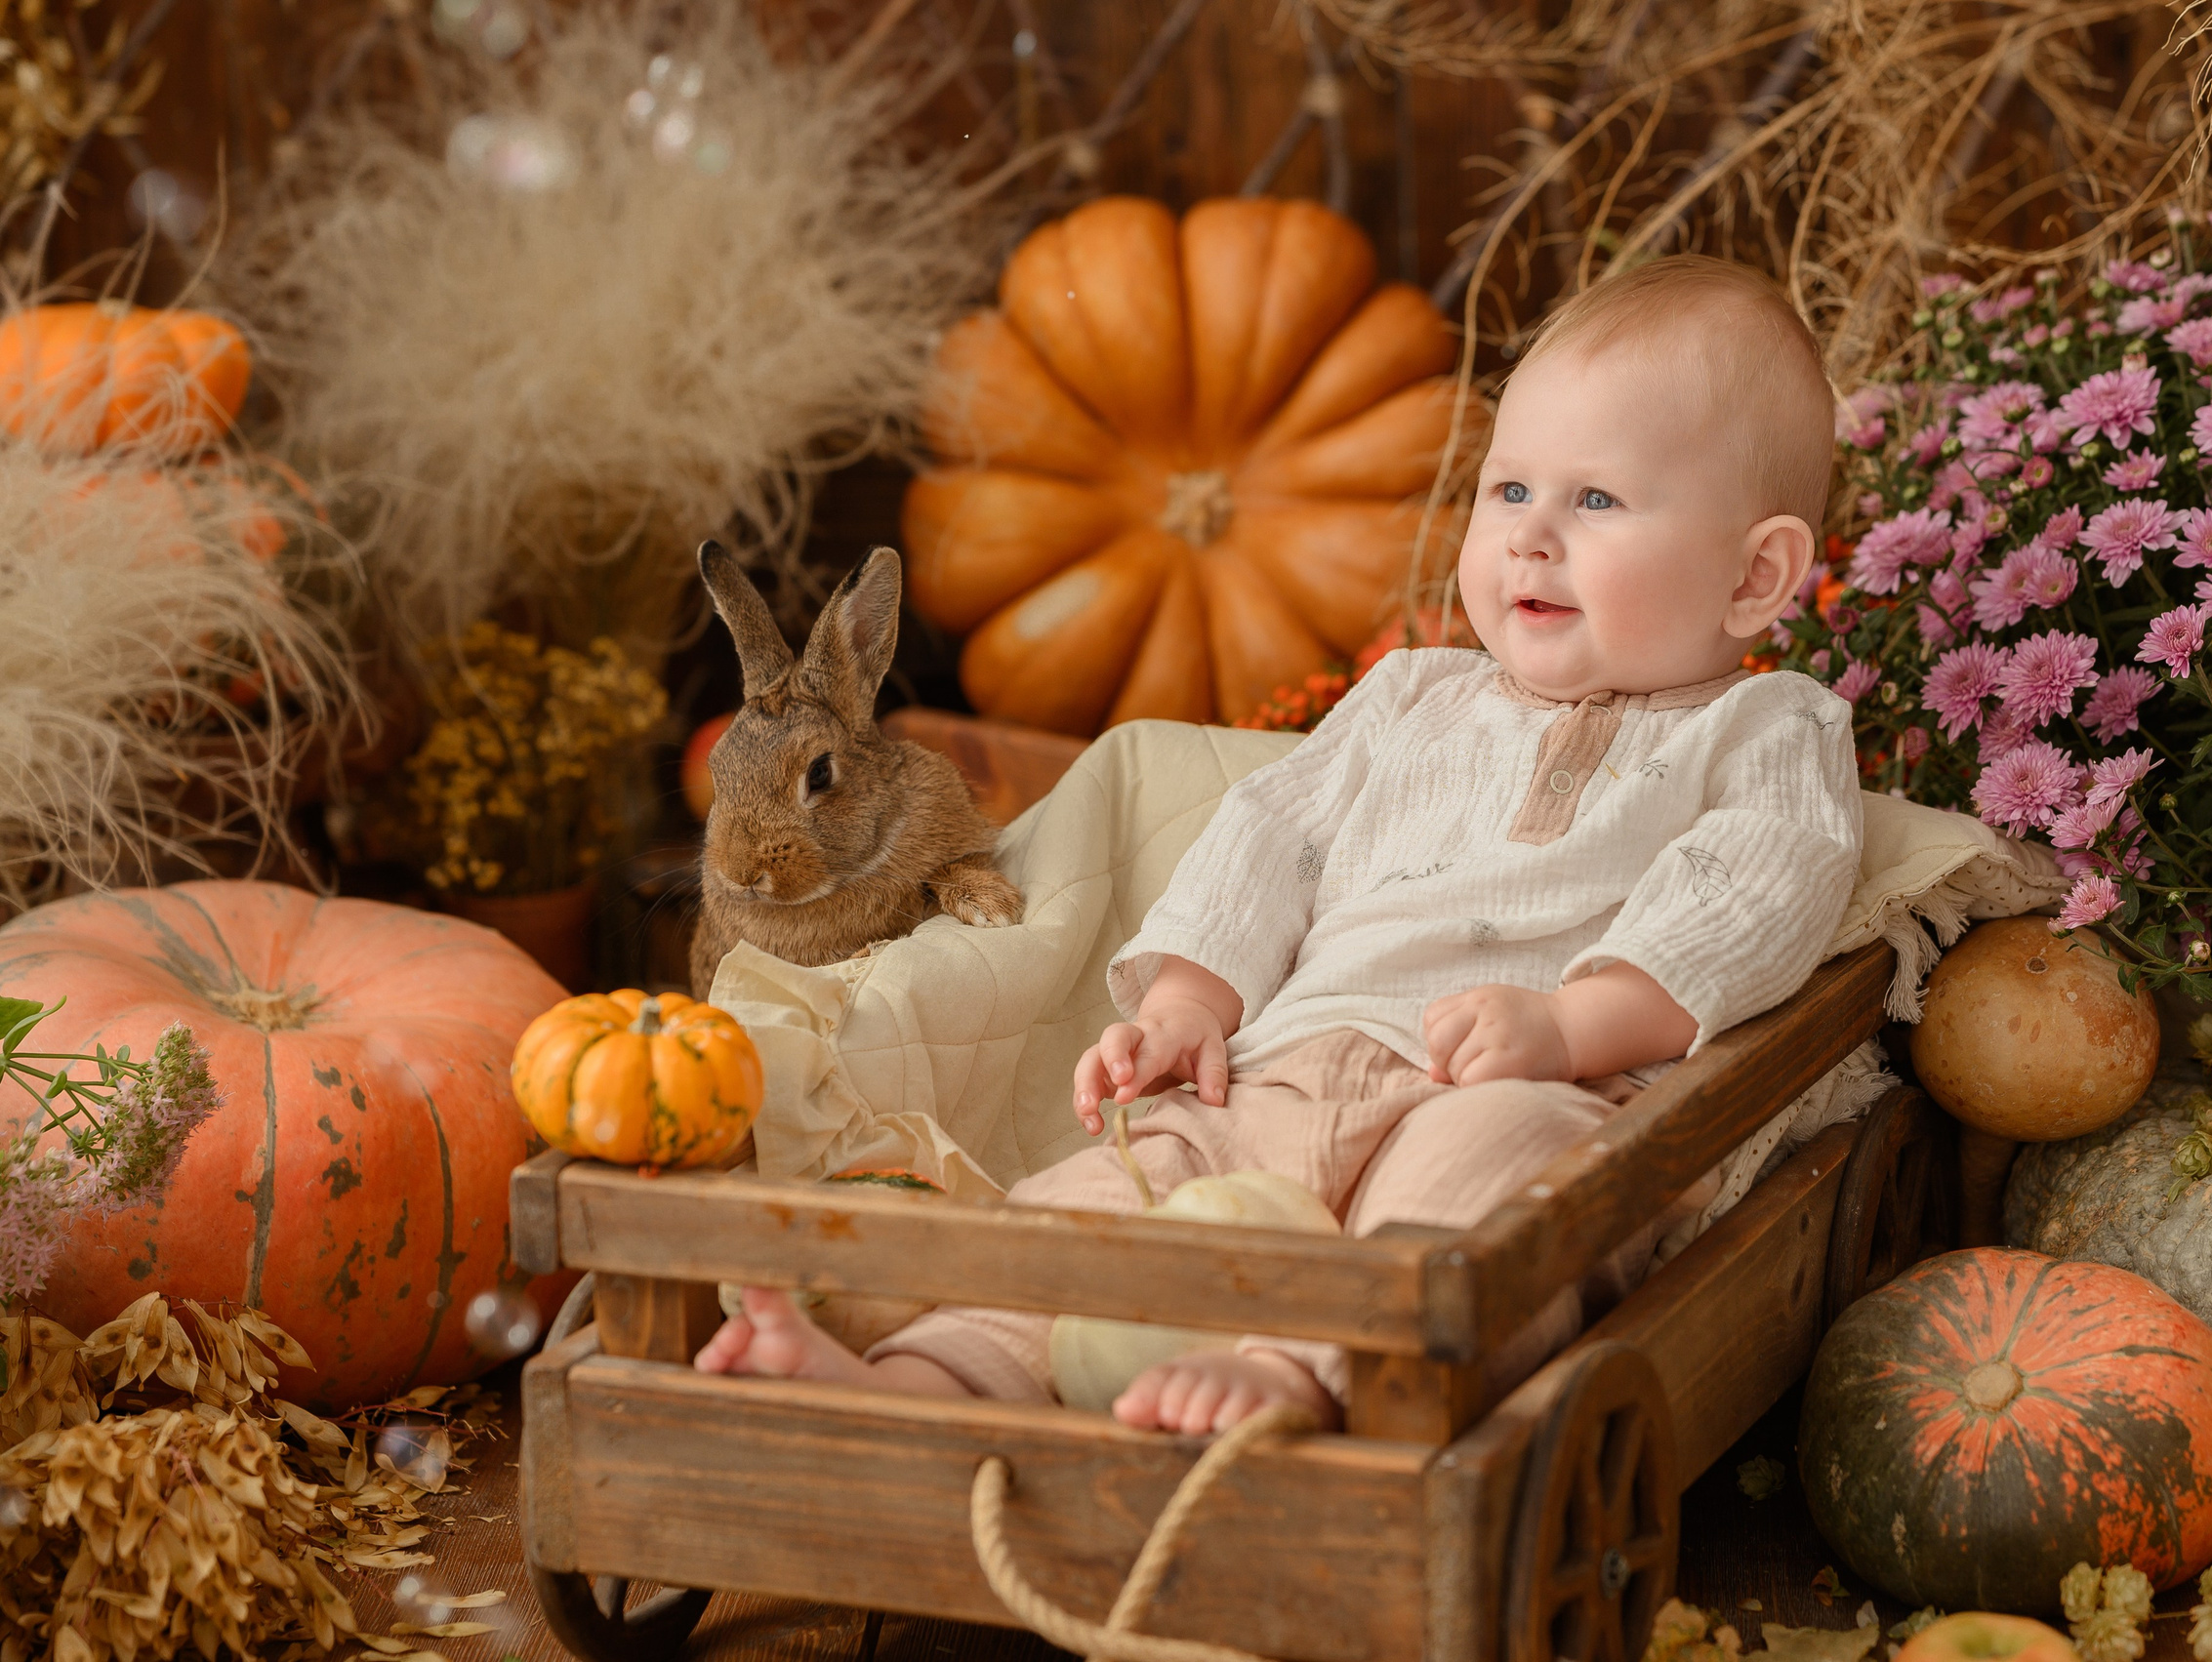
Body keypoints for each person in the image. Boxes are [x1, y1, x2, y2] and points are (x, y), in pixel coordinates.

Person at [695, 253, 1864, 1435]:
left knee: (1476, 1196)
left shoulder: (1767, 728)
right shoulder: (1413, 694)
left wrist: (1569, 1026)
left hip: (1537, 1090)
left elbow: (1751, 894)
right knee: (1112, 1190)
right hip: (1280, 1070)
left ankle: (1302, 1372)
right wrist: (1189, 1004)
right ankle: (922, 1379)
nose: (1530, 539)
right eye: (1508, 490)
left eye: (1596, 501)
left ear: (1755, 573)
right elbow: (1273, 833)